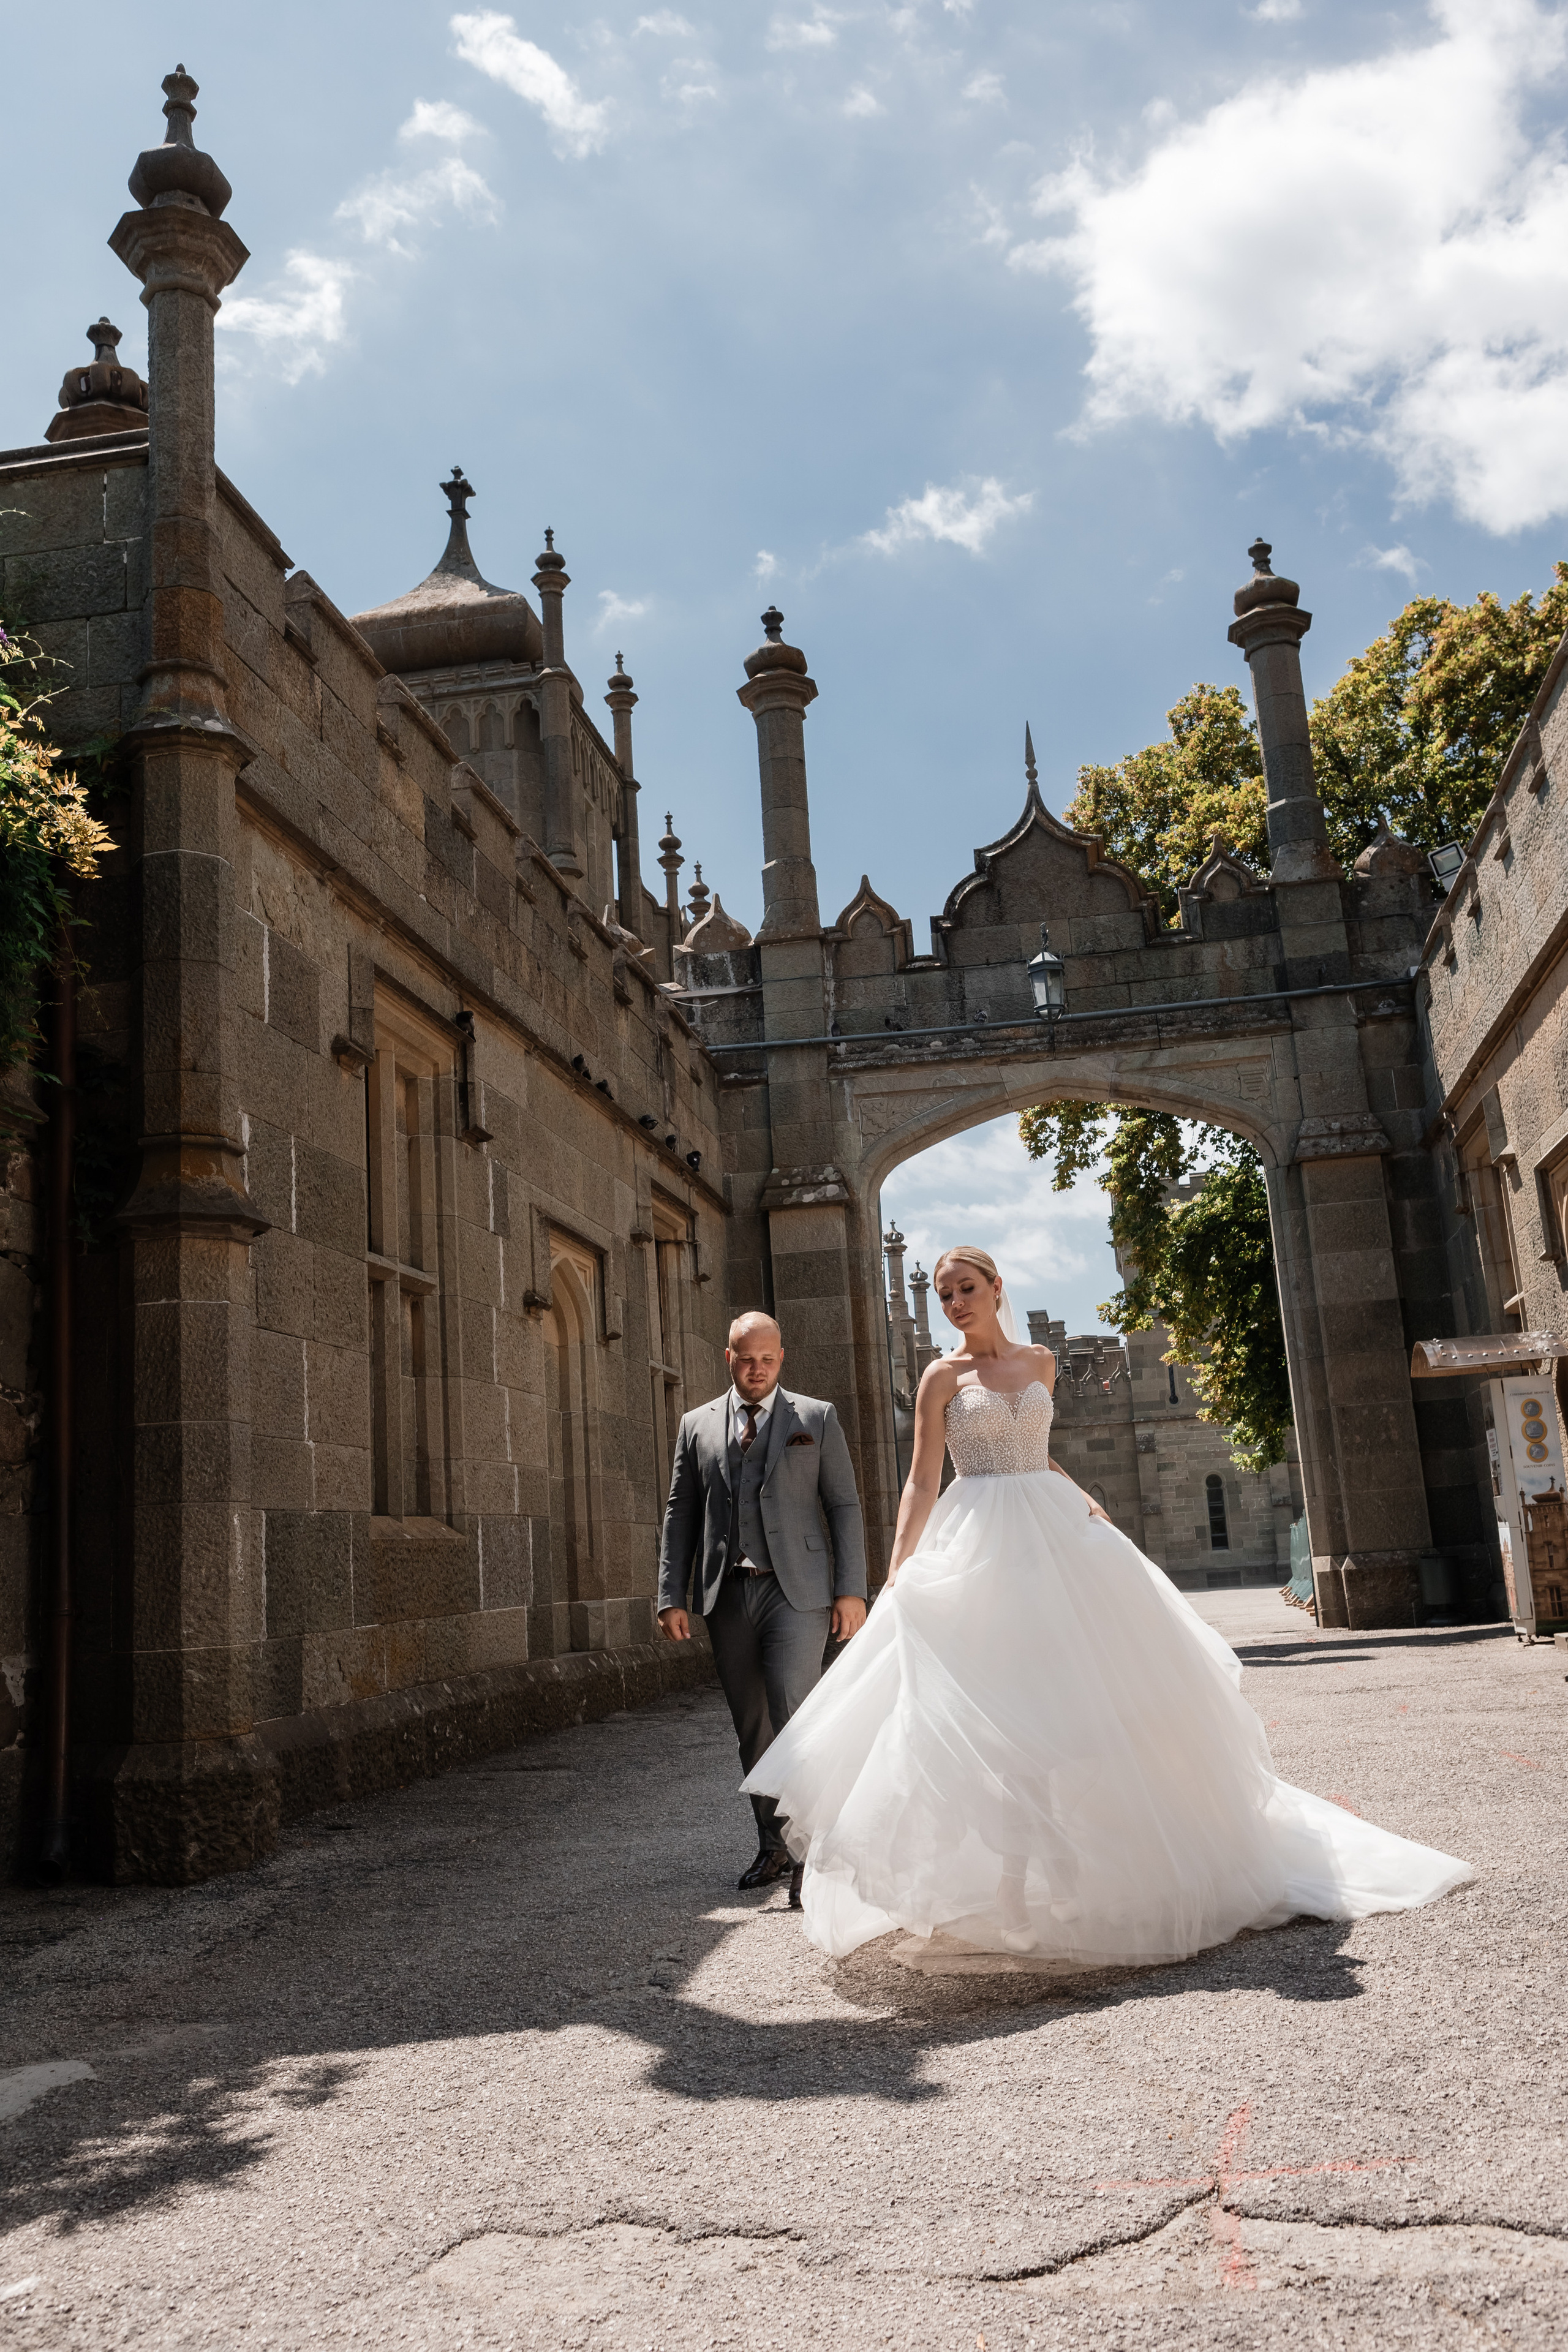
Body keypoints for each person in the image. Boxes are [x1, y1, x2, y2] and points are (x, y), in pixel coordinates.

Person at [744, 1247, 1472, 1961]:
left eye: (965, 1288)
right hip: (976, 1544)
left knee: (1078, 1705)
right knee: (996, 1709)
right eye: (944, 1294)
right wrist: (898, 1569)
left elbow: (1032, 1447)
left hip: (1052, 1537)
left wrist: (1077, 1493)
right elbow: (921, 1479)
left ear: (995, 1287)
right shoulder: (942, 1376)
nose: (955, 1303)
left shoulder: (1040, 1363)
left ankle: (1086, 1863)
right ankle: (1012, 1884)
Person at [658, 1310, 867, 1907]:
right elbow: (680, 1512)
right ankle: (773, 1845)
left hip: (797, 1592)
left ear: (782, 1358)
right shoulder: (696, 1424)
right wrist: (670, 1595)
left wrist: (851, 1589)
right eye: (746, 1360)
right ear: (729, 1358)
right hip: (726, 1594)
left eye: (767, 1360)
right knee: (752, 1726)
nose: (757, 1370)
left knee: (794, 1718)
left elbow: (844, 1505)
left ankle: (810, 1856)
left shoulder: (815, 1418)